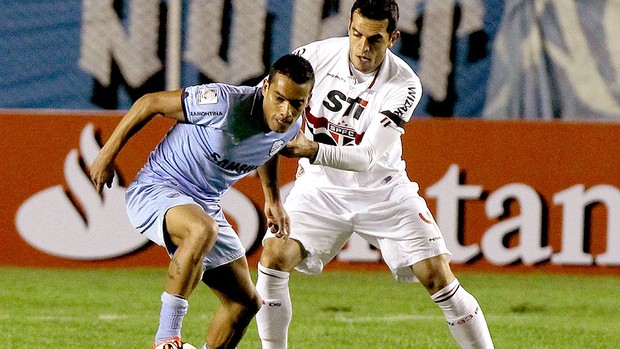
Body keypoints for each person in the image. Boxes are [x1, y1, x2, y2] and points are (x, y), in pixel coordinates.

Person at [255, 1, 494, 348]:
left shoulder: (405, 85)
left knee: (437, 277)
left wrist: (311, 149)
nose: (362, 47)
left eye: (374, 39)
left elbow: (367, 157)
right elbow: (264, 112)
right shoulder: (312, 58)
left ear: (393, 38)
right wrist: (273, 198)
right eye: (356, 34)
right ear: (349, 27)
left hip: (383, 191)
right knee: (274, 257)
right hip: (319, 188)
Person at [89, 54, 314, 349]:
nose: (286, 111)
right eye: (279, 98)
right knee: (202, 229)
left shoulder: (291, 128)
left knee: (245, 304)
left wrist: (273, 200)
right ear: (265, 87)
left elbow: (271, 145)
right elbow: (150, 102)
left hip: (205, 206)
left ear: (306, 101)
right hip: (157, 189)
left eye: (296, 104)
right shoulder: (222, 102)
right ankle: (166, 340)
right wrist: (107, 154)